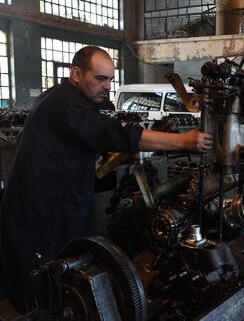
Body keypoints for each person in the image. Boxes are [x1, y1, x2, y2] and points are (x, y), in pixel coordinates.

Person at [0, 46, 213, 313]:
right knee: (42, 289)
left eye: (111, 80)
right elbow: (115, 133)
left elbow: (103, 128)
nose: (107, 86)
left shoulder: (67, 98)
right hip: (39, 215)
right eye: (100, 79)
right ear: (76, 73)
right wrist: (184, 141)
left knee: (62, 278)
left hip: (57, 204)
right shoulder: (64, 103)